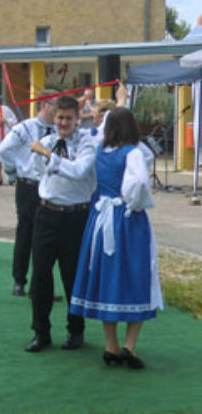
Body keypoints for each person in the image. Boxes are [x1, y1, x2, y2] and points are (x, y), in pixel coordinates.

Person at [69, 107, 163, 369]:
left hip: (100, 219)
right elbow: (140, 184)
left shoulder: (100, 149)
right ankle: (129, 345)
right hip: (126, 220)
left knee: (106, 276)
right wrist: (134, 203)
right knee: (137, 276)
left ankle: (111, 345)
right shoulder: (132, 153)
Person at [24, 95, 96, 353]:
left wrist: (50, 157)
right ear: (54, 118)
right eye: (60, 118)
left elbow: (80, 172)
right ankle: (40, 332)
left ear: (78, 119)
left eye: (68, 118)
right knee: (41, 274)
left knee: (72, 275)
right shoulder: (46, 141)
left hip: (75, 217)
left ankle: (76, 329)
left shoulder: (87, 143)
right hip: (46, 214)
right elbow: (34, 171)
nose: (63, 123)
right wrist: (44, 154)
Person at [0, 90, 57, 297]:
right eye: (54, 104)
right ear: (43, 104)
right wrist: (12, 171)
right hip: (29, 186)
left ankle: (40, 284)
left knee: (47, 237)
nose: (58, 108)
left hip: (50, 186)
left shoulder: (58, 130)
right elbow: (4, 149)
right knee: (25, 233)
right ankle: (19, 280)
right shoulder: (25, 128)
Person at [0, 93, 18, 185]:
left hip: (4, 135)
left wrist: (5, 120)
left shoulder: (5, 109)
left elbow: (14, 121)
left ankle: (11, 177)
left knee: (7, 157)